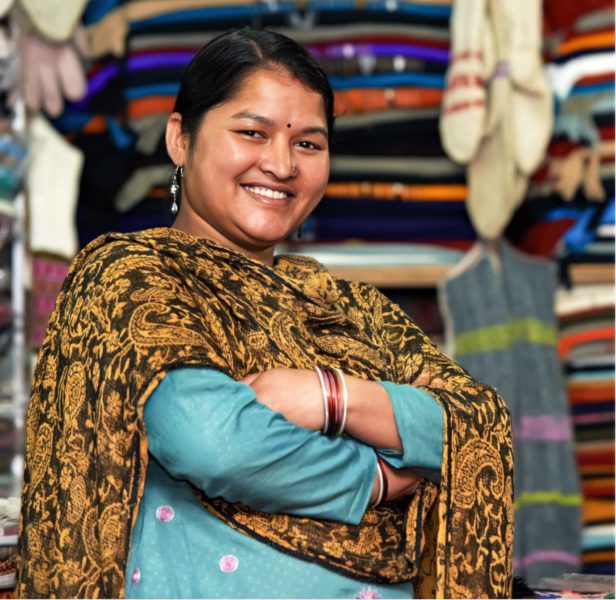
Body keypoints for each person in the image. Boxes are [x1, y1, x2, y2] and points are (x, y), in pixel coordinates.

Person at [16, 29, 513, 599]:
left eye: (308, 143)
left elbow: (476, 420)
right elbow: (214, 441)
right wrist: (380, 477)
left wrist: (329, 396)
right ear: (180, 138)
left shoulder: (347, 306)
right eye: (252, 133)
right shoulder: (132, 275)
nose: (281, 165)